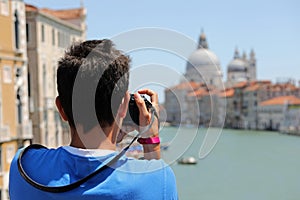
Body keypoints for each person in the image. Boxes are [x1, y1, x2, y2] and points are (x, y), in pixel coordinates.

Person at [9, 39, 178, 199]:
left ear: (61, 108)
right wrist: (150, 140)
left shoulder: (24, 167)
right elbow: (156, 184)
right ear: (123, 106)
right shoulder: (159, 178)